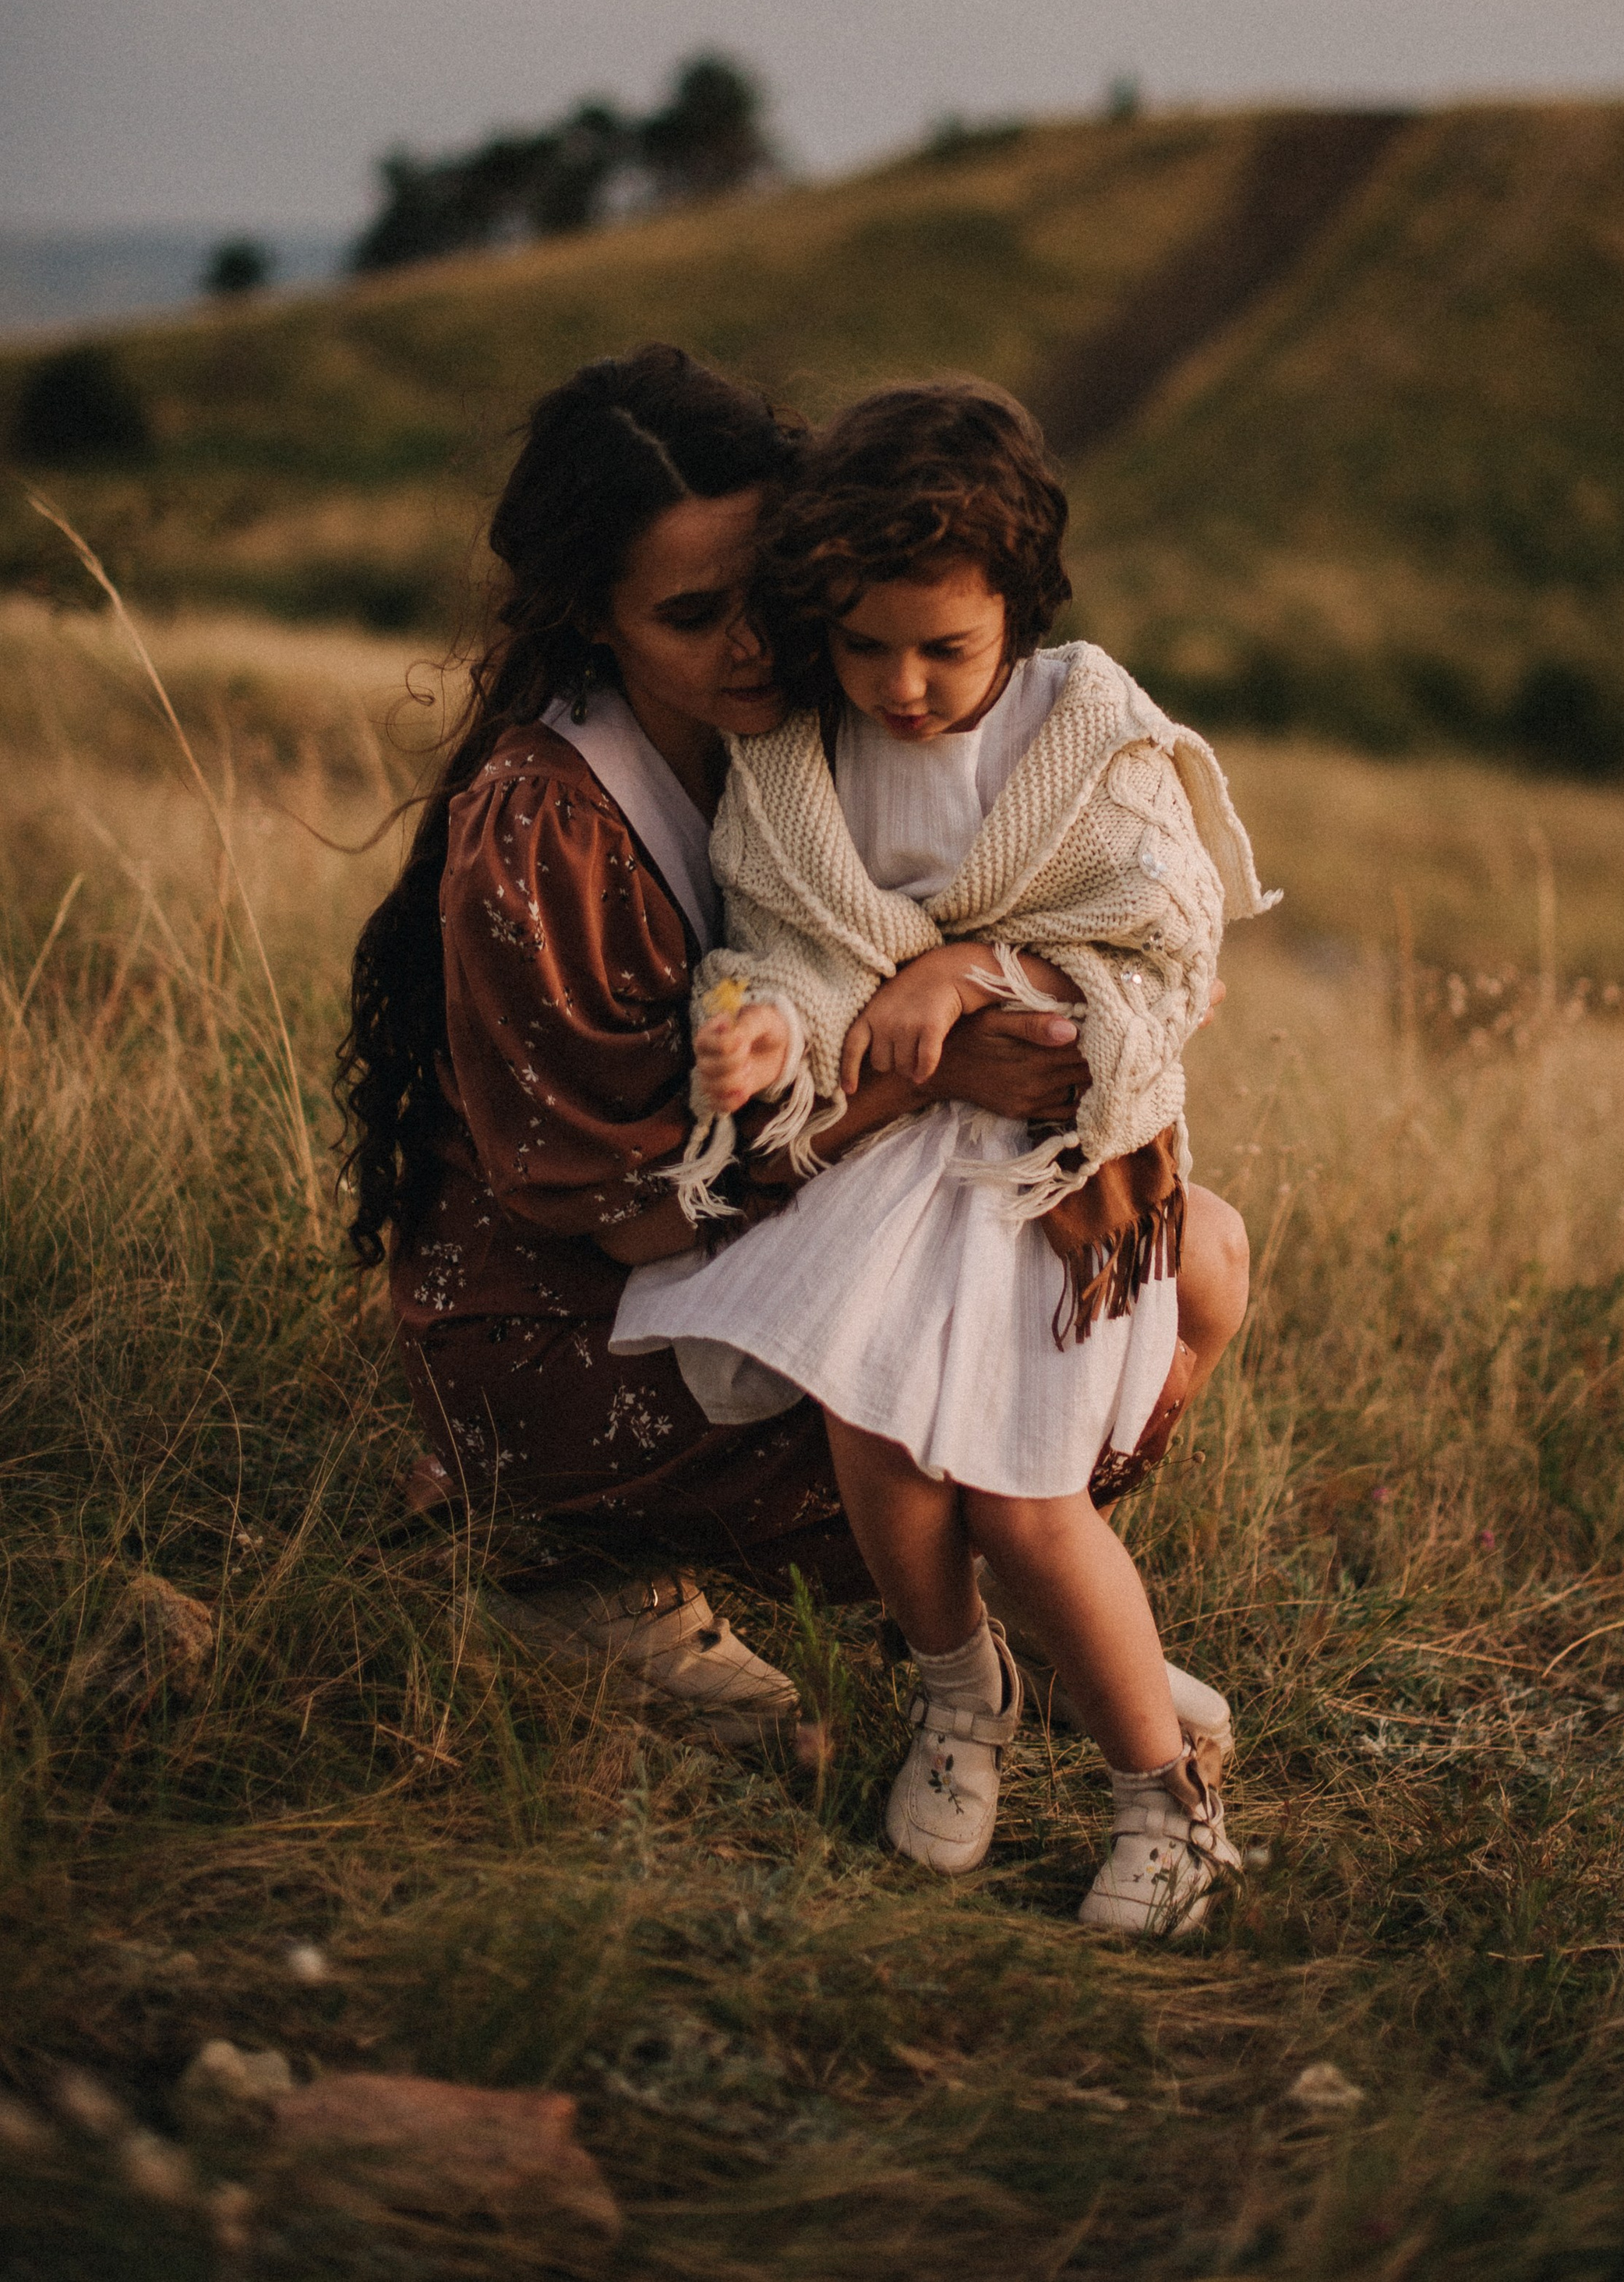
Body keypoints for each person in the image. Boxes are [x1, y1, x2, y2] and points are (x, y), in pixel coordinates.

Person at [337, 347, 1223, 1750]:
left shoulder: (828, 730)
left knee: (1193, 1256)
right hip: (570, 1327)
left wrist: (1021, 985)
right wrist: (929, 1068)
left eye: (774, 598)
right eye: (694, 617)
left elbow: (1057, 908)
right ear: (593, 622)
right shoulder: (545, 821)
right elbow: (629, 1216)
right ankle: (571, 1567)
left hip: (771, 1214)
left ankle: (1027, 1595)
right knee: (963, 1334)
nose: (754, 645)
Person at [608, 382, 1269, 1931]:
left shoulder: (1085, 740)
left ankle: (1166, 1803)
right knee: (880, 1442)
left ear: (1016, 619)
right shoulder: (797, 759)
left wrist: (968, 972)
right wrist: (767, 1034)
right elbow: (780, 942)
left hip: (1053, 1168)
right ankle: (957, 1694)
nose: (899, 685)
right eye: (861, 644)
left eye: (941, 648)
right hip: (891, 1169)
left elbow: (1166, 959)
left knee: (1026, 1499)